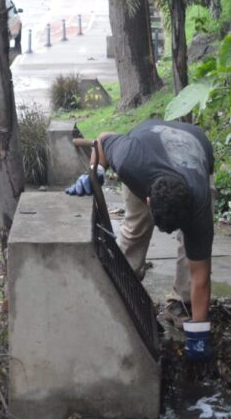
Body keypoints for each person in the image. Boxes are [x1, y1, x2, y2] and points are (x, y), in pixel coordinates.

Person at [65, 119, 215, 361]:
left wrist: (199, 334)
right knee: (135, 228)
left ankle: (181, 303)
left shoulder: (198, 206)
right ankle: (122, 288)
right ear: (148, 201)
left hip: (193, 148)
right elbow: (102, 138)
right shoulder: (129, 159)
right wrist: (97, 168)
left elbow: (201, 276)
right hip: (147, 142)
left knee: (191, 251)